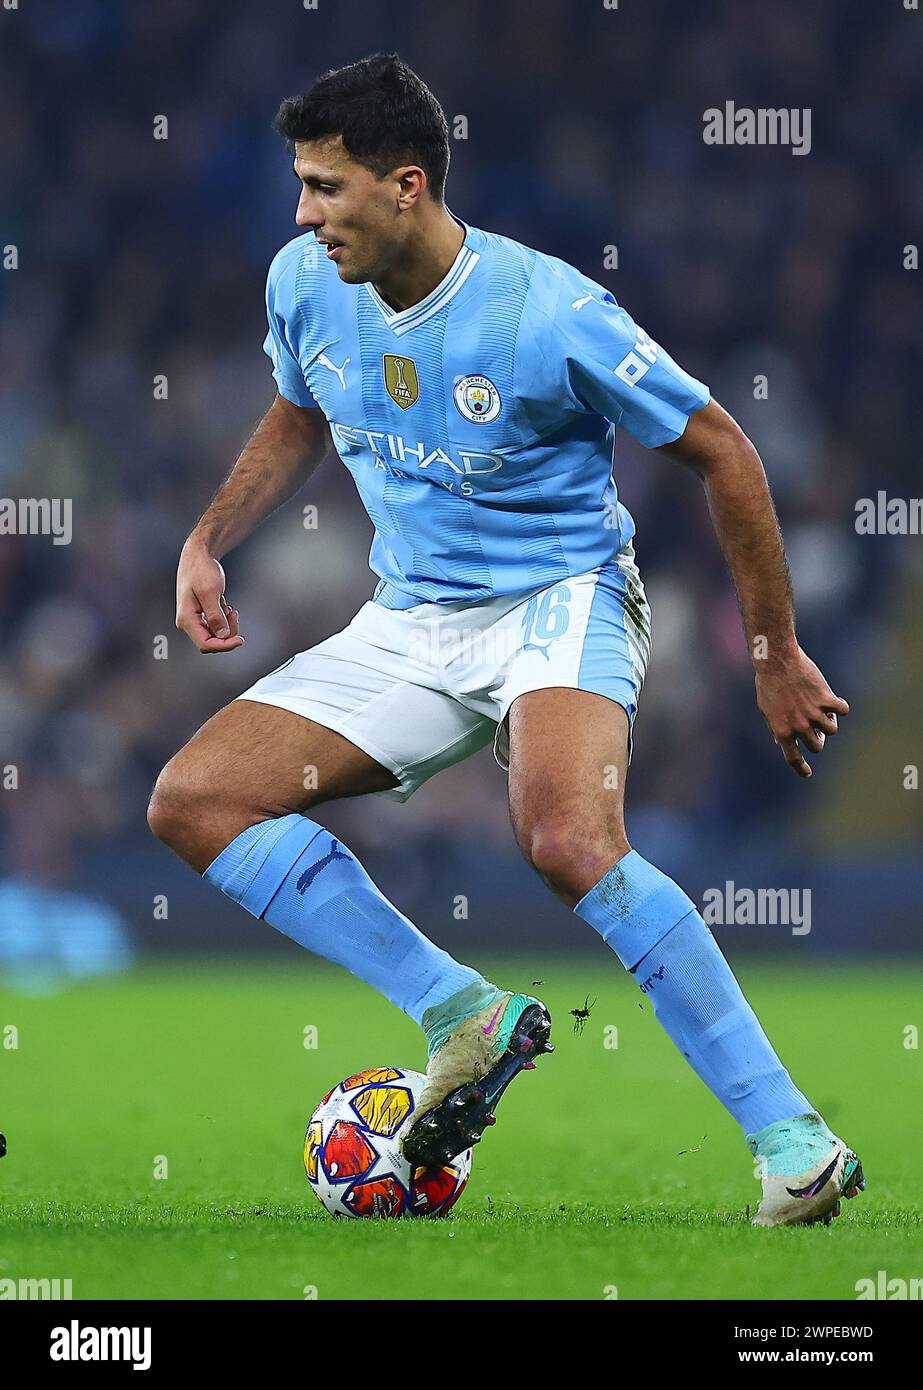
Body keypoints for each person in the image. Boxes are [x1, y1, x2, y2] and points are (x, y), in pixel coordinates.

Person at [148, 53, 863, 1226]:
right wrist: (208, 536)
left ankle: (792, 1142)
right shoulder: (302, 282)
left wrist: (772, 649)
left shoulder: (547, 311)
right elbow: (297, 410)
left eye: (326, 188)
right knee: (193, 800)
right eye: (300, 185)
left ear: (406, 186)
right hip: (410, 616)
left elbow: (722, 449)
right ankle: (456, 1010)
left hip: (559, 596)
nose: (301, 213)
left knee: (565, 837)